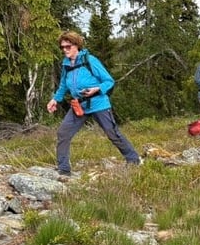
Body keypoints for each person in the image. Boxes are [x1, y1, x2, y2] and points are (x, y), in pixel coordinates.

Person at [46, 31, 140, 176]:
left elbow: (109, 81)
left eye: (68, 46)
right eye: (62, 47)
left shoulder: (90, 60)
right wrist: (55, 100)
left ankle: (133, 160)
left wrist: (97, 89)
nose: (65, 50)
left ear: (76, 45)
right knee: (63, 133)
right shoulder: (66, 64)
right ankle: (64, 170)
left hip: (98, 103)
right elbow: (64, 85)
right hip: (79, 105)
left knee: (112, 133)